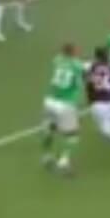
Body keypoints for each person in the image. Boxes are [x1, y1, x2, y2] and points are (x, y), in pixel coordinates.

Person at [41, 43, 86, 175]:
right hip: (65, 104)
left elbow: (66, 62)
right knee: (73, 135)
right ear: (73, 52)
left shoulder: (57, 60)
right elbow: (79, 83)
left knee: (50, 129)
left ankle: (46, 156)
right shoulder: (77, 66)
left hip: (50, 101)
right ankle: (63, 162)